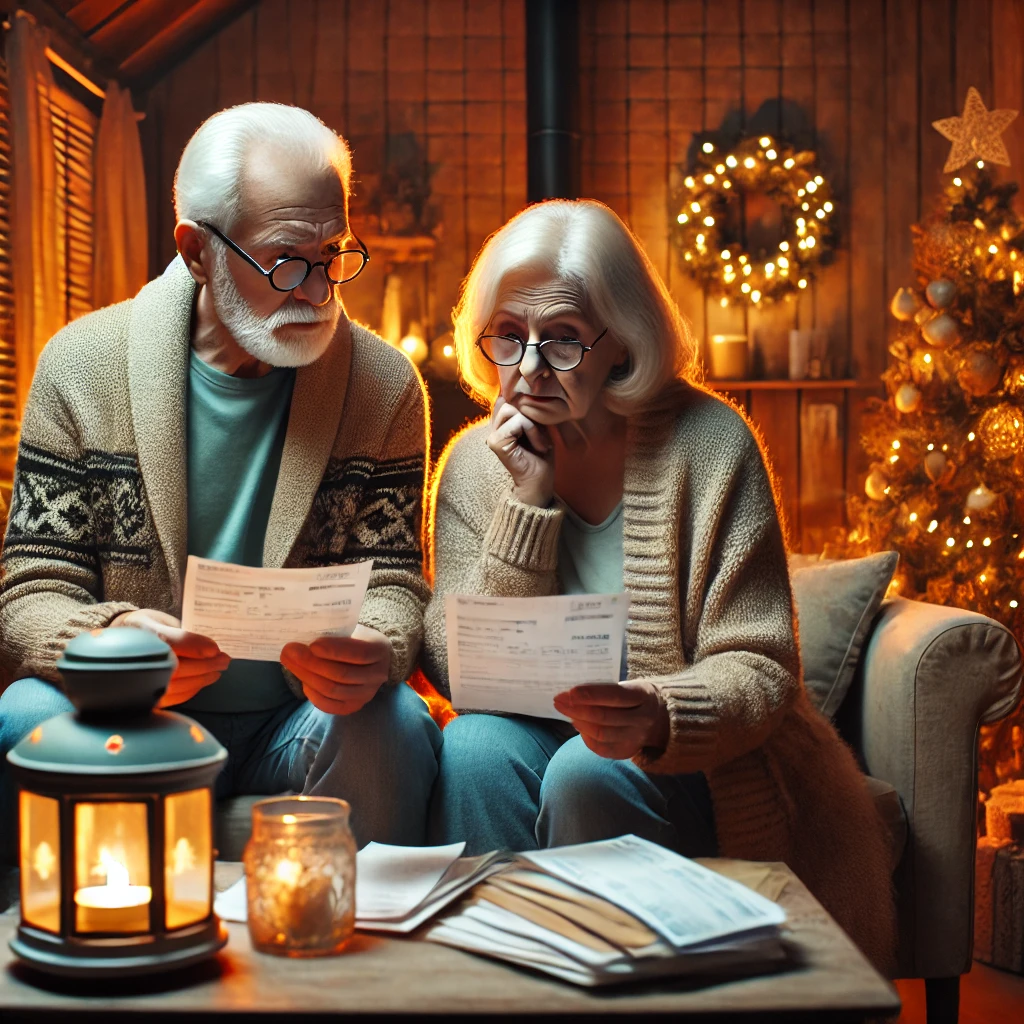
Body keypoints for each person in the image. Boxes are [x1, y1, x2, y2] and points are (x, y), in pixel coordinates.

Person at [420, 199, 895, 972]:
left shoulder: (709, 443)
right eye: (509, 336)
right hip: (532, 732)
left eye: (564, 339)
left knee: (588, 767)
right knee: (473, 747)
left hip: (694, 762)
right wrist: (525, 503)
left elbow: (762, 664)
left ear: (623, 341)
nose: (531, 366)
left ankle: (608, 988)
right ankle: (503, 982)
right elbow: (460, 665)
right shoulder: (477, 463)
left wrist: (658, 714)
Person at [0, 103, 441, 857]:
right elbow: (30, 592)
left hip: (301, 723)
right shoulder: (81, 367)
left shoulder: (384, 385)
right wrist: (113, 643)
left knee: (396, 724)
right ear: (197, 250)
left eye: (332, 254)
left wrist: (379, 642)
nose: (317, 290)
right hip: (137, 719)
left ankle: (353, 955)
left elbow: (395, 583)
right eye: (284, 260)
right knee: (23, 714)